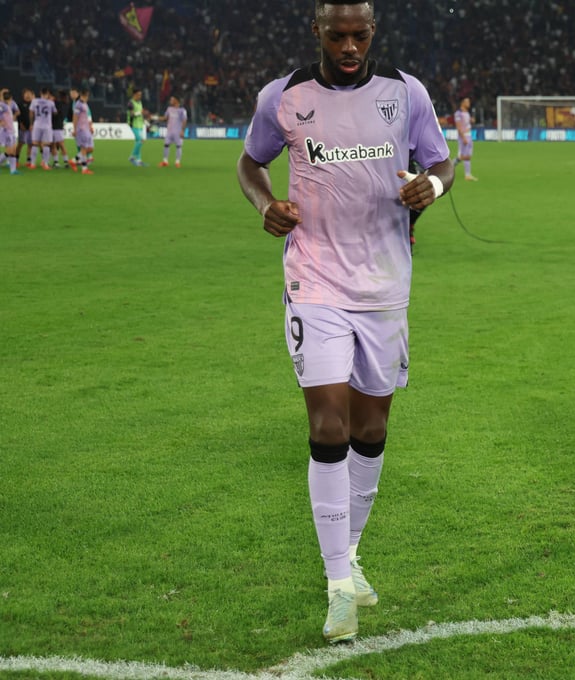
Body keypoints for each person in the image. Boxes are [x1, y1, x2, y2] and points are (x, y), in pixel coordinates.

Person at [236, 0, 453, 644]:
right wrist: (264, 203)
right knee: (328, 424)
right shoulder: (283, 96)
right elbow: (250, 163)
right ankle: (337, 585)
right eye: (338, 36)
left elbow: (441, 162)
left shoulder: (406, 93)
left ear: (373, 31)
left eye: (360, 35)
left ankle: (350, 553)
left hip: (385, 285)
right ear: (318, 32)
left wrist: (434, 187)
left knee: (371, 428)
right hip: (315, 280)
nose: (350, 47)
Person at [29, 87, 56, 170]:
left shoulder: (34, 101)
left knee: (35, 144)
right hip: (47, 126)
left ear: (40, 93)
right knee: (46, 145)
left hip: (37, 125)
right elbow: (55, 112)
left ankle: (32, 164)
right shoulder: (51, 103)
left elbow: (31, 113)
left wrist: (31, 124)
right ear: (48, 94)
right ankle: (46, 164)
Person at [70, 90, 95, 175]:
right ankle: (84, 168)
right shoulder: (78, 105)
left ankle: (74, 160)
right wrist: (74, 129)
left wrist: (90, 126)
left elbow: (87, 116)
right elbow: (75, 117)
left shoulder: (85, 104)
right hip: (81, 129)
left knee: (90, 148)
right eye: (86, 96)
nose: (87, 97)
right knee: (84, 148)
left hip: (86, 128)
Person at [160, 96, 188, 167]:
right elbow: (165, 118)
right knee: (166, 145)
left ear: (176, 100)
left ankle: (177, 162)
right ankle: (165, 161)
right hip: (169, 131)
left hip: (178, 131)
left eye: (172, 99)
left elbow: (184, 121)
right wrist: (155, 117)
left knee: (178, 146)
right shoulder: (169, 109)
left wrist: (182, 131)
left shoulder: (182, 110)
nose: (170, 101)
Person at [453, 97, 477, 181]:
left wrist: (471, 120)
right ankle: (450, 167)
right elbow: (459, 126)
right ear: (462, 103)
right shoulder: (458, 113)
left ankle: (467, 175)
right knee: (463, 156)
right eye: (467, 101)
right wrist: (463, 137)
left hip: (469, 135)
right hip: (464, 136)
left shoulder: (467, 112)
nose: (469, 103)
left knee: (467, 156)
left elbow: (467, 123)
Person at [0, 88, 19, 175]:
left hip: (11, 131)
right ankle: (12, 170)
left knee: (13, 150)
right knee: (10, 151)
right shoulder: (2, 105)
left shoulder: (7, 105)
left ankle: (13, 170)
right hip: (6, 131)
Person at [127, 88, 147, 166]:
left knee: (138, 142)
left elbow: (140, 114)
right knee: (141, 140)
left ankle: (139, 160)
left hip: (140, 124)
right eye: (138, 95)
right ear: (134, 95)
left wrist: (144, 121)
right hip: (133, 124)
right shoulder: (130, 103)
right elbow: (132, 114)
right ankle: (132, 157)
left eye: (140, 95)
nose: (140, 96)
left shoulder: (139, 102)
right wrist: (140, 112)